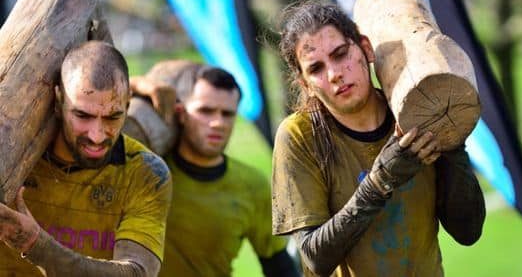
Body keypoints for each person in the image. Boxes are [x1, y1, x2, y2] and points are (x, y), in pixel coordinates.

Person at [271, 1, 486, 276]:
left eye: (340, 54)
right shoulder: (299, 136)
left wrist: (453, 144)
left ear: (366, 48)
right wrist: (379, 183)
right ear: (305, 84)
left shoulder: (413, 113)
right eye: (316, 69)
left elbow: (467, 231)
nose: (335, 74)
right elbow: (316, 258)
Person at [0, 41, 172, 276]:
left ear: (128, 103)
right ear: (58, 100)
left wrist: (35, 244)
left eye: (113, 117)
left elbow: (136, 273)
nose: (97, 135)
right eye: (82, 115)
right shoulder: (11, 155)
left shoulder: (145, 173)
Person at [128, 62, 300, 277]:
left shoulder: (252, 186)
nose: (218, 123)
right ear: (180, 112)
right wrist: (136, 83)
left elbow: (279, 267)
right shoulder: (148, 171)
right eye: (206, 111)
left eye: (227, 114)